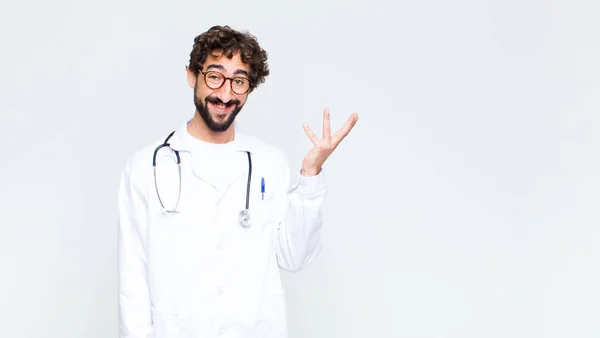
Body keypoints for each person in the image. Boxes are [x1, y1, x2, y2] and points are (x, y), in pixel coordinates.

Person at [117, 25, 358, 338]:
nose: (226, 94)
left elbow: (294, 257)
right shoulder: (145, 168)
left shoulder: (269, 164)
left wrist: (310, 176)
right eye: (215, 76)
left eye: (239, 81)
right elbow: (133, 285)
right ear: (192, 75)